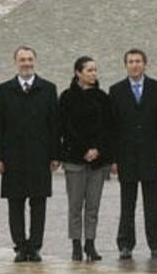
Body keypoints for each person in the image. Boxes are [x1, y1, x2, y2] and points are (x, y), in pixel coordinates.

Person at [0, 46, 60, 263]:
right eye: (22, 60)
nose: (26, 63)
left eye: (30, 59)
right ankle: (21, 246)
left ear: (35, 62)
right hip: (13, 157)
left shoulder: (48, 89)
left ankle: (36, 246)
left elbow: (55, 125)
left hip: (40, 156)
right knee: (16, 203)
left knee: (39, 203)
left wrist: (55, 154)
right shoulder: (3, 90)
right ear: (16, 63)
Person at [109, 49, 157, 260]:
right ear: (125, 65)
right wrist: (113, 159)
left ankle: (156, 244)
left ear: (145, 64)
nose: (135, 65)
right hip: (126, 156)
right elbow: (112, 128)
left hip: (151, 154)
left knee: (152, 204)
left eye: (138, 61)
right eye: (131, 62)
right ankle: (125, 244)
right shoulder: (115, 90)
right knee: (127, 204)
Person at [59, 56, 115, 262]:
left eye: (95, 70)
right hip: (75, 159)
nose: (93, 74)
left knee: (93, 205)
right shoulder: (66, 97)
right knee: (75, 205)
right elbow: (65, 127)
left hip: (97, 161)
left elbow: (108, 127)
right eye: (89, 70)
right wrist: (83, 149)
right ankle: (75, 244)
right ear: (78, 73)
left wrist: (98, 149)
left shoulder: (103, 97)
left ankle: (90, 243)